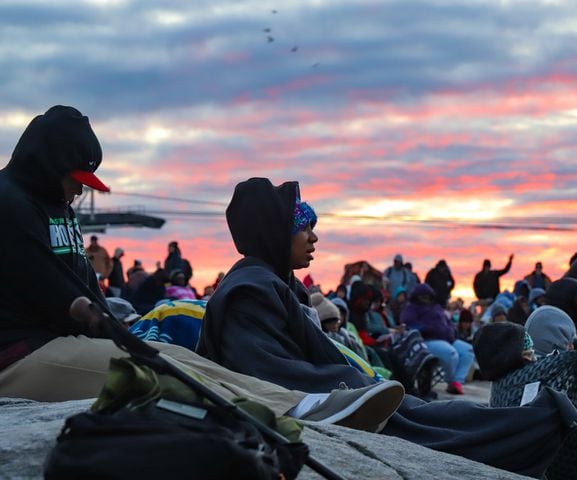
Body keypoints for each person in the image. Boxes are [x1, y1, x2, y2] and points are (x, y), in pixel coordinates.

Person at [0, 108, 403, 433]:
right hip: (20, 355)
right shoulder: (9, 202)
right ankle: (294, 410)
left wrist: (118, 325)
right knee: (159, 370)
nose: (82, 190)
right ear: (49, 163)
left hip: (60, 341)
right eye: (77, 179)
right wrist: (115, 329)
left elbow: (86, 285)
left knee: (173, 354)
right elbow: (54, 291)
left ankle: (300, 402)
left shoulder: (59, 206)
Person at [198, 178, 577, 478]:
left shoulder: (276, 285)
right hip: (329, 403)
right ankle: (537, 424)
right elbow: (266, 377)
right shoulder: (248, 291)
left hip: (341, 389)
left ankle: (537, 420)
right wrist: (351, 386)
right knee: (429, 426)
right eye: (302, 227)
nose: (314, 237)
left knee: (435, 414)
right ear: (272, 232)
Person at [400, 283, 475, 394]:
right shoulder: (411, 308)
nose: (425, 299)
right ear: (416, 296)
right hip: (429, 340)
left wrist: (452, 330)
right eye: (422, 296)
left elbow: (448, 322)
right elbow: (408, 323)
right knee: (451, 354)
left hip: (448, 339)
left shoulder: (437, 307)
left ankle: (456, 382)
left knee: (468, 350)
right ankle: (451, 381)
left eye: (427, 296)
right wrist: (428, 328)